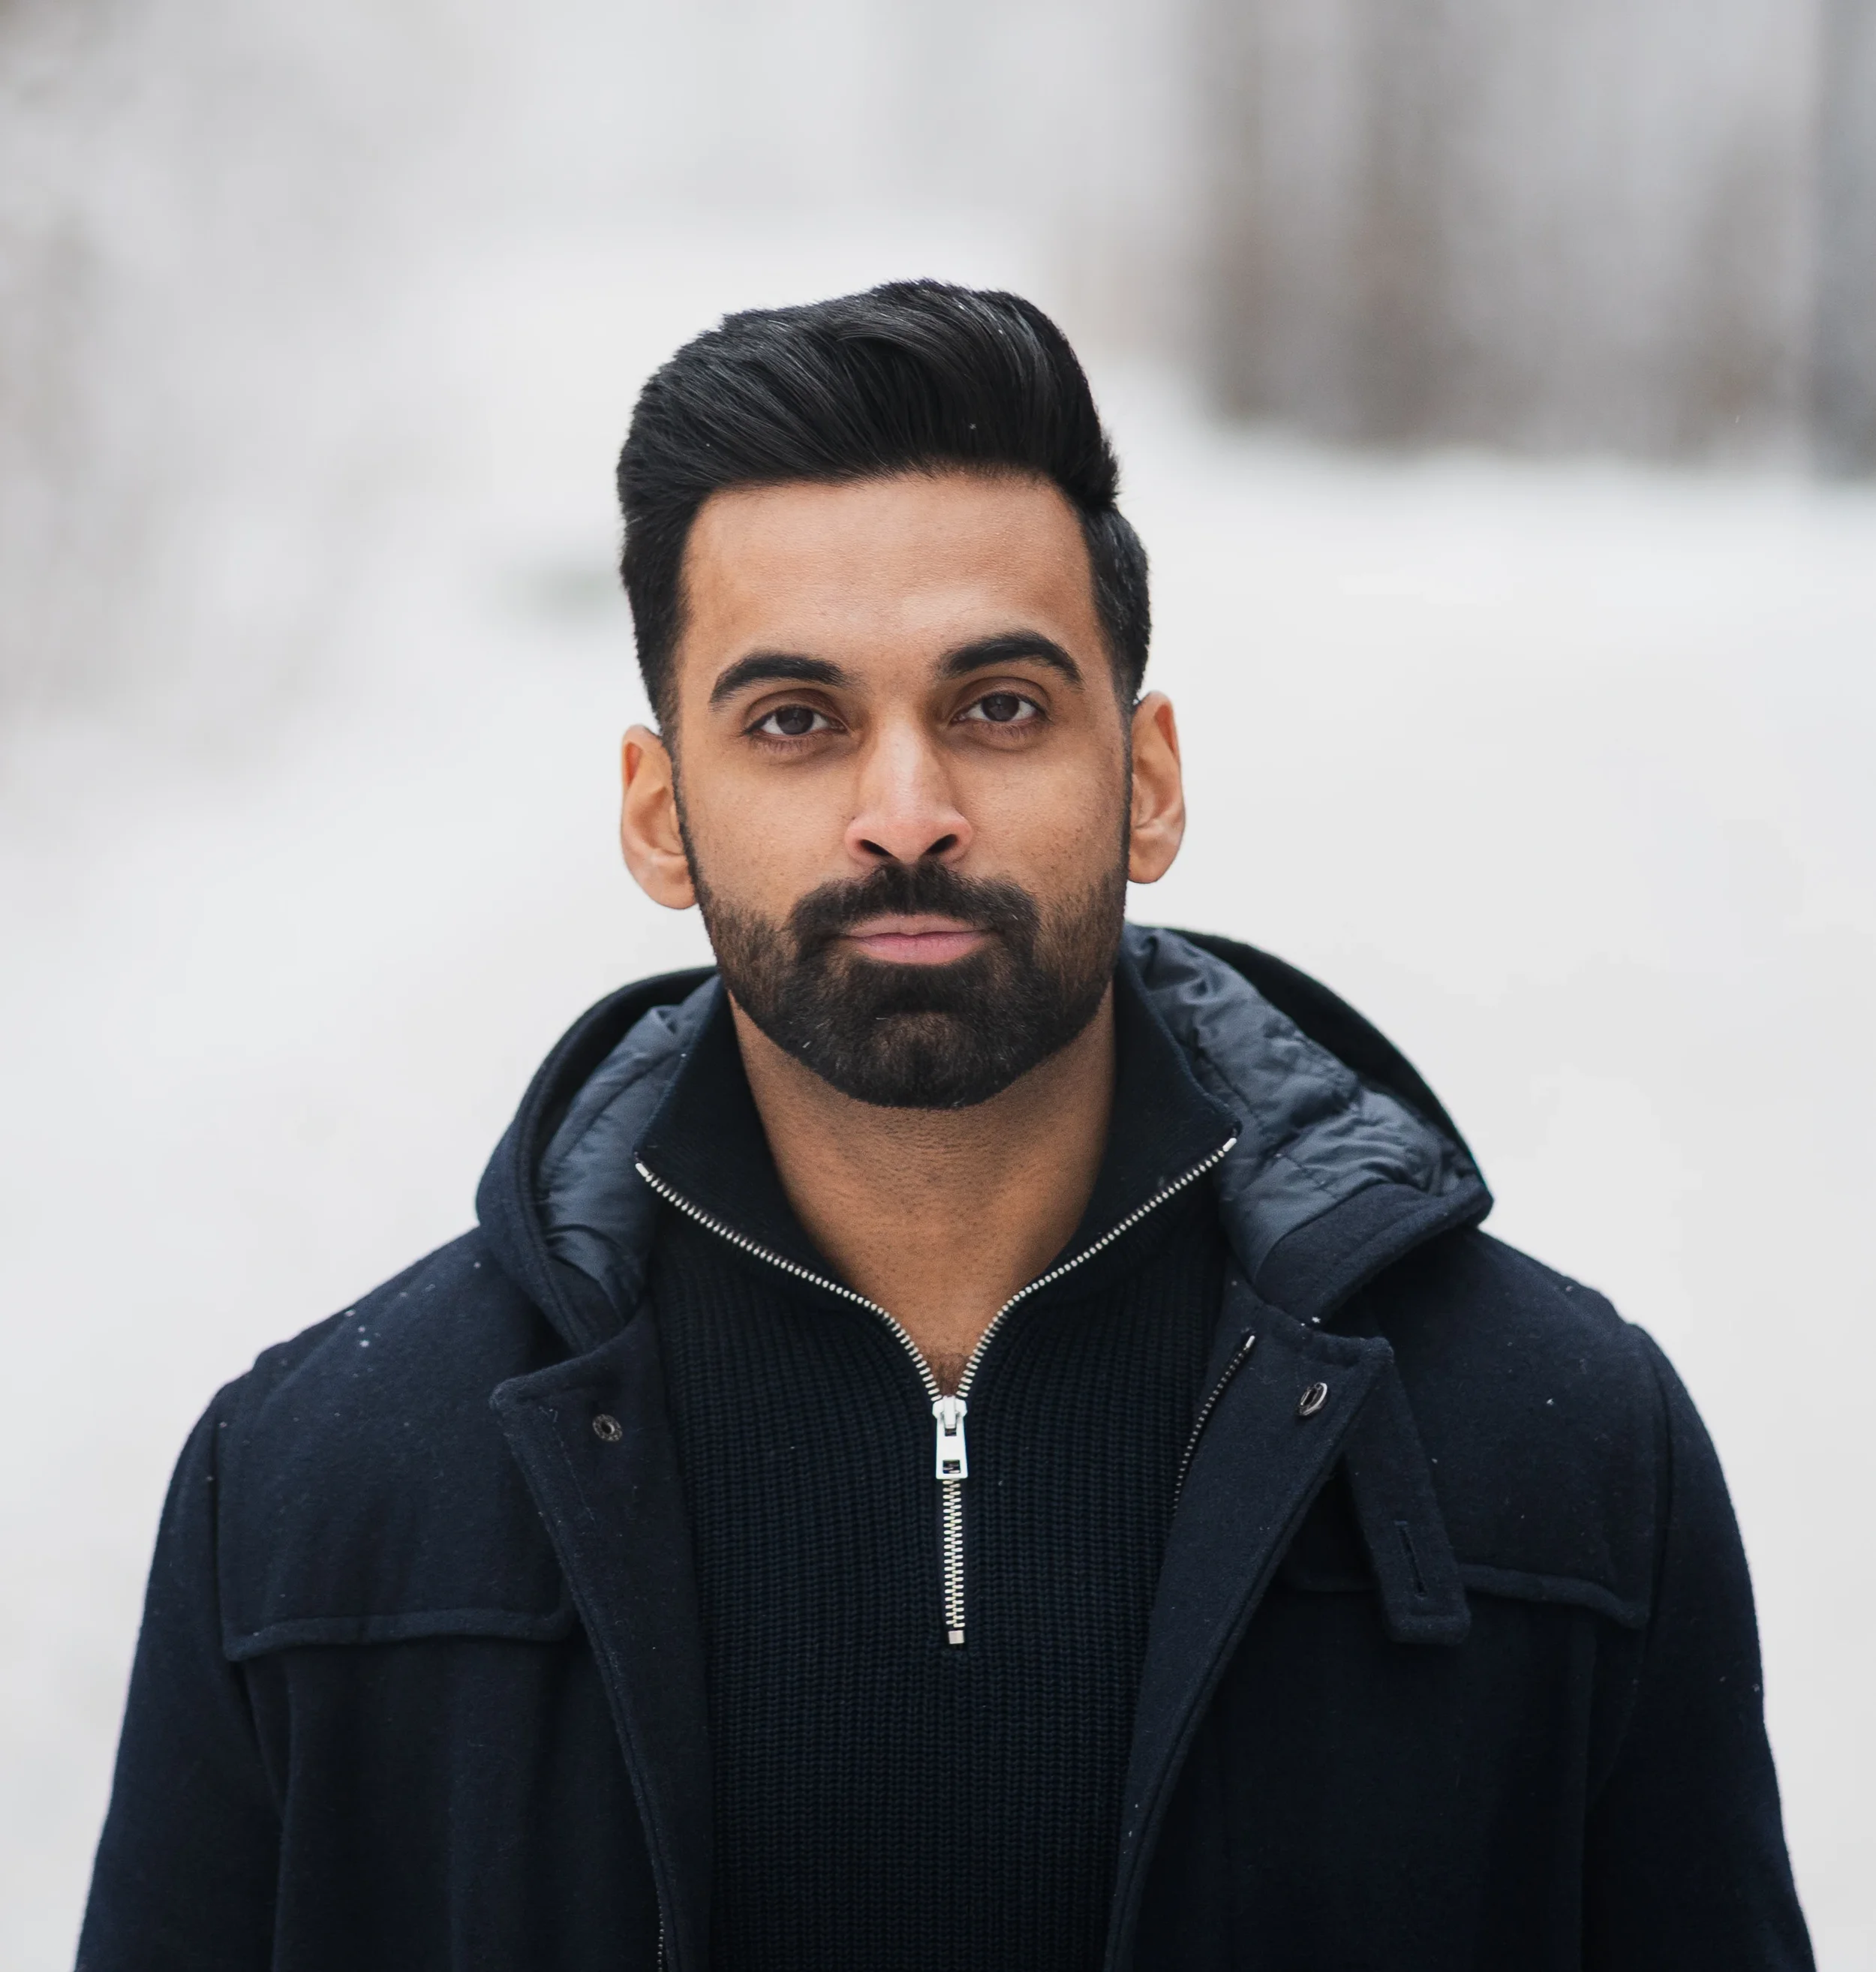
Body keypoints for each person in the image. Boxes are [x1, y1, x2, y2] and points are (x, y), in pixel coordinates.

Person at [79, 281, 1813, 1972]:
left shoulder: (1564, 1462)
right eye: (794, 723)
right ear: (656, 812)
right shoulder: (317, 1504)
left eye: (996, 708)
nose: (902, 815)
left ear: (1143, 782)